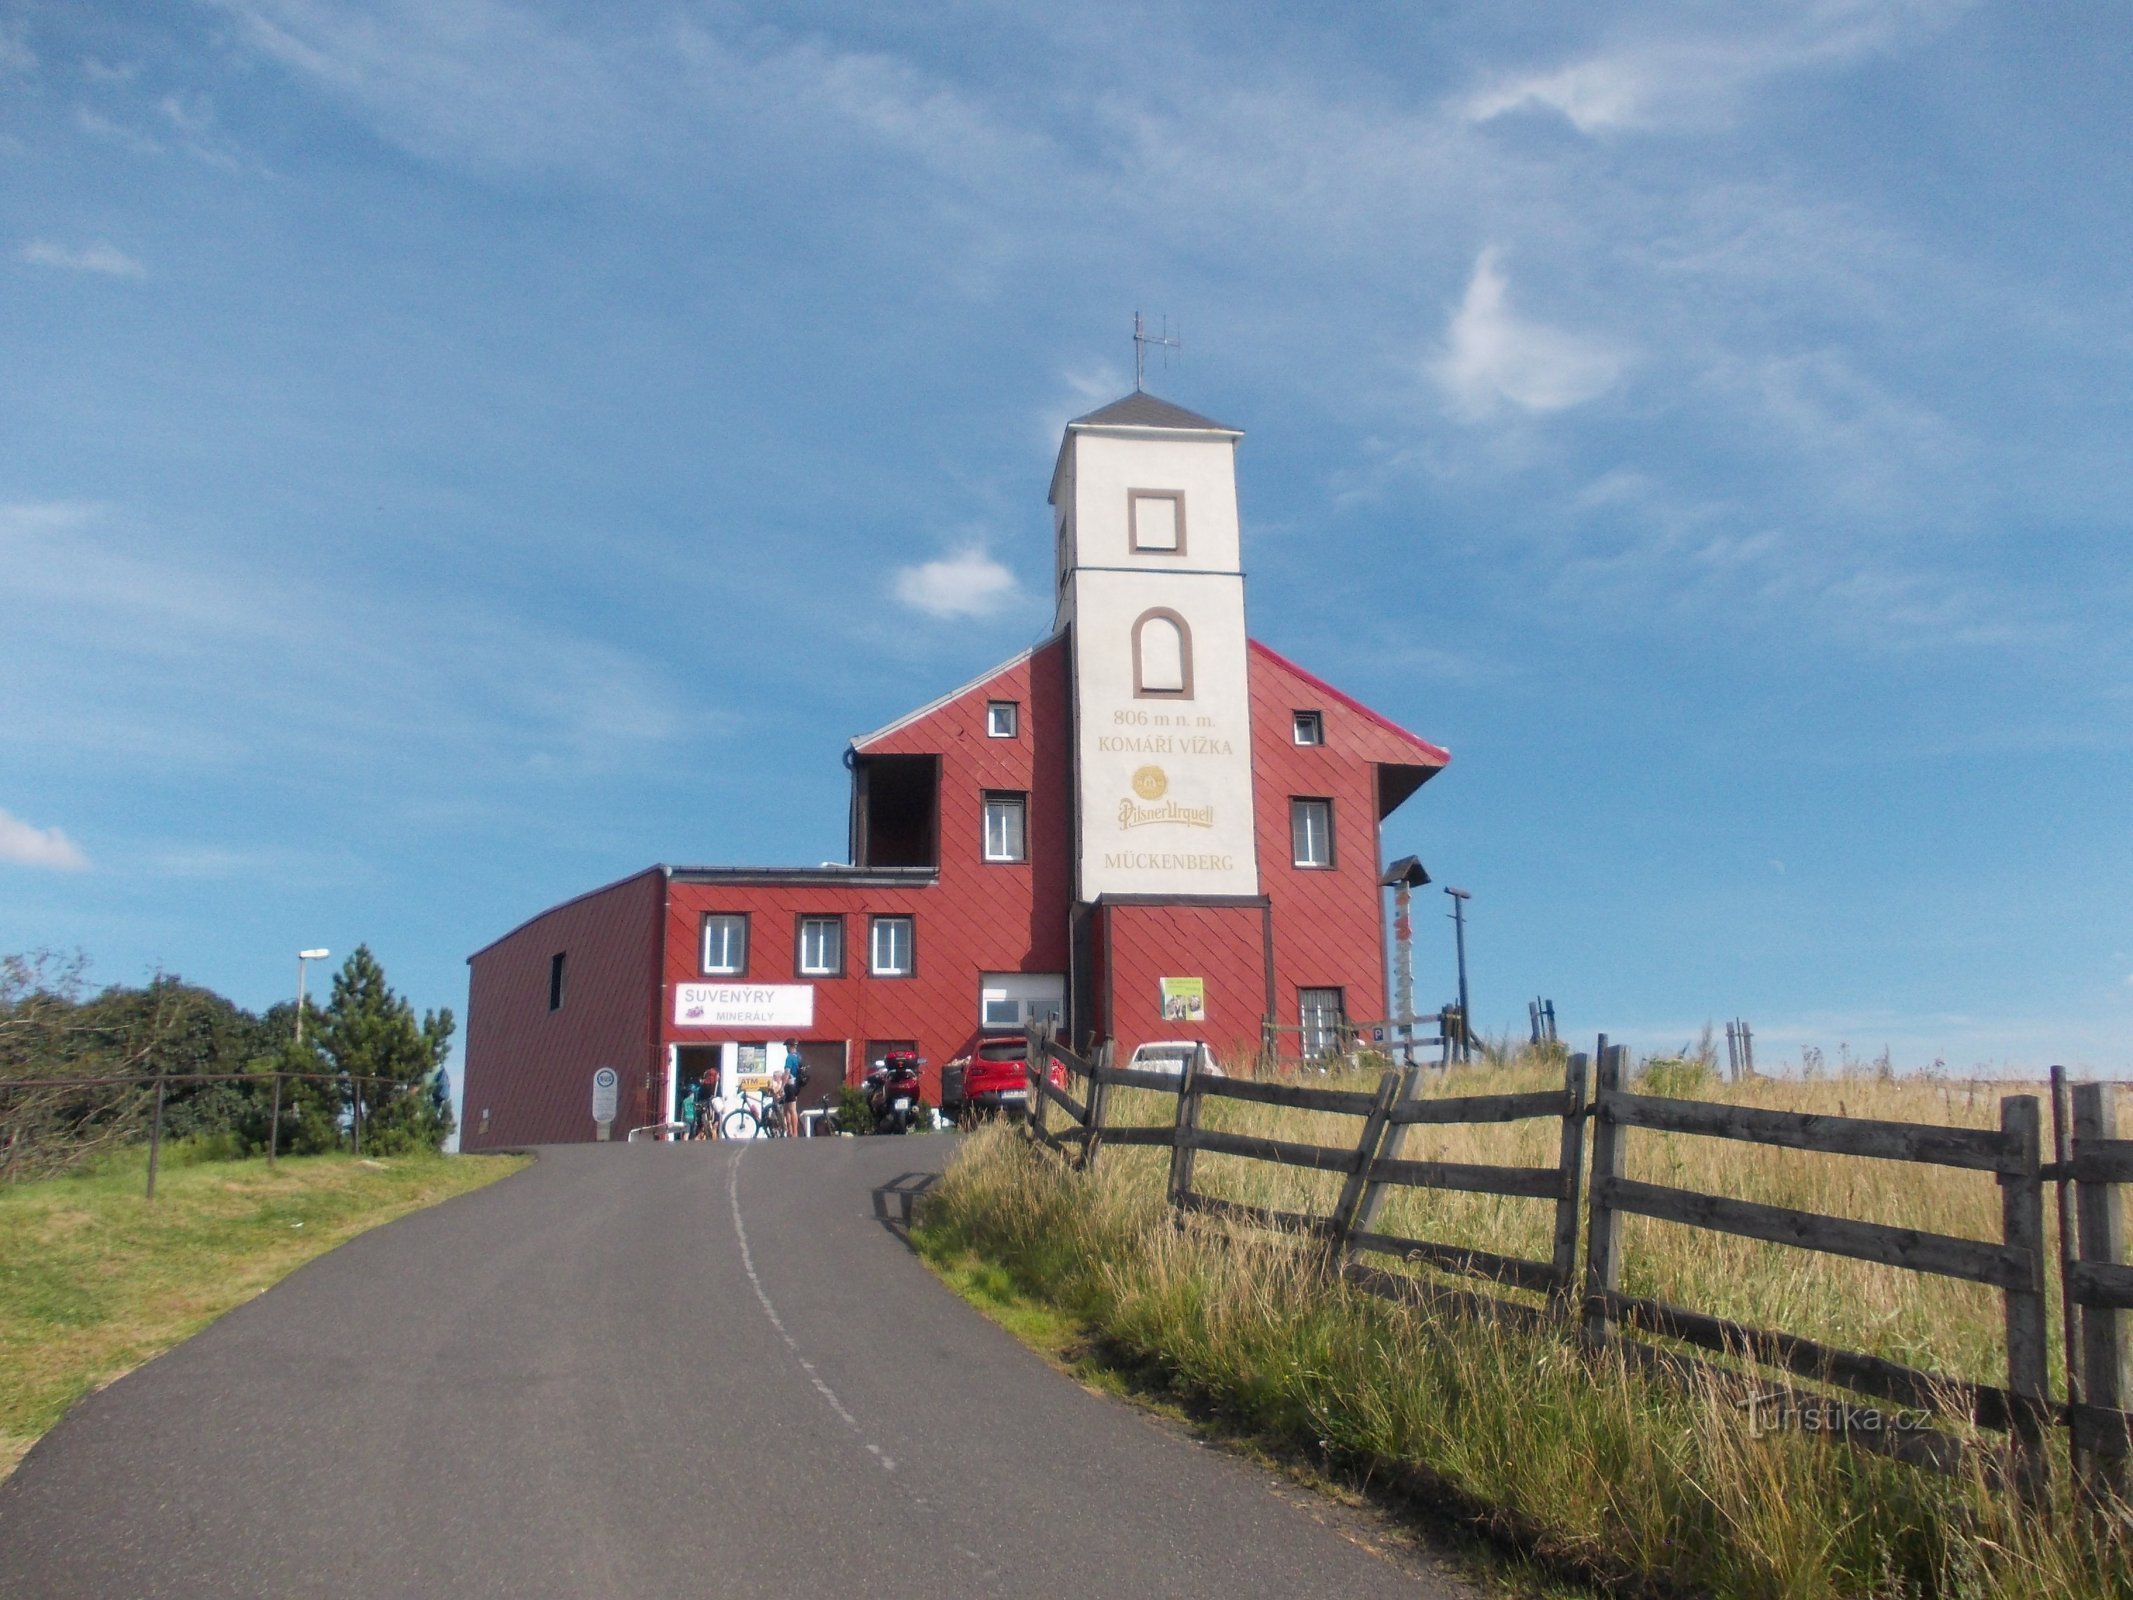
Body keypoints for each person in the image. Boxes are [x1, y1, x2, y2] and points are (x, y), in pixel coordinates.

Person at [781, 1039, 806, 1136]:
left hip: (790, 1085)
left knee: (792, 1109)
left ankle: (794, 1132)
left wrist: (782, 1086)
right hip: (797, 1085)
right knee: (786, 1108)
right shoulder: (799, 1056)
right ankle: (790, 1131)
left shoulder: (790, 1057)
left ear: (790, 1046)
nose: (786, 1048)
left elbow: (787, 1072)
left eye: (787, 1046)